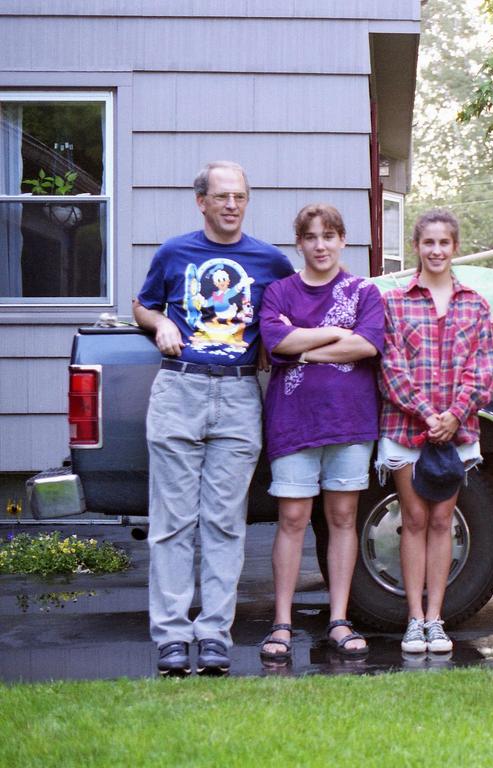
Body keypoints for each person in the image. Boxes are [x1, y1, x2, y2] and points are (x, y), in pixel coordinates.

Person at [134, 161, 295, 676]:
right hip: (180, 388)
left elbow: (293, 310)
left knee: (225, 523)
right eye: (222, 196)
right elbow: (142, 304)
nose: (231, 205)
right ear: (201, 201)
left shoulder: (269, 260)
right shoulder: (174, 252)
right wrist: (159, 322)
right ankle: (173, 636)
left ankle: (214, 635)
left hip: (239, 394)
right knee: (172, 522)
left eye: (240, 197)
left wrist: (273, 340)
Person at [257, 204, 385, 664]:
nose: (320, 245)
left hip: (350, 422)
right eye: (311, 237)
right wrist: (332, 332)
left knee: (343, 519)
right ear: (299, 243)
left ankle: (339, 618)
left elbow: (367, 343)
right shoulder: (279, 292)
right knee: (292, 519)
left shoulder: (364, 291)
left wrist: (305, 346)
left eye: (329, 236)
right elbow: (277, 342)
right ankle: (282, 622)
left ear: (342, 240)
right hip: (292, 423)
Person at [377, 209, 493, 655]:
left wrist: (454, 414)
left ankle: (435, 619)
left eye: (444, 243)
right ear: (417, 247)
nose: (436, 251)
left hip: (457, 429)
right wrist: (428, 414)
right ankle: (413, 618)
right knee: (414, 519)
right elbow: (390, 368)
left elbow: (484, 369)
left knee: (443, 519)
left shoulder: (474, 304)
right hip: (407, 429)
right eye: (428, 243)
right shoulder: (395, 301)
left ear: (455, 247)